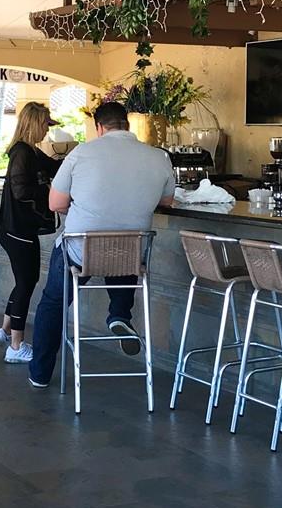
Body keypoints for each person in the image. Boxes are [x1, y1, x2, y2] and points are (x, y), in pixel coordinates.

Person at [26, 101, 175, 388]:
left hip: (81, 250)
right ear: (127, 125)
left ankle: (40, 373)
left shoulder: (81, 153)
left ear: (99, 127)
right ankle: (119, 315)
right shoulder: (158, 156)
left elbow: (55, 203)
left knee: (54, 302)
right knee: (121, 248)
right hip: (131, 252)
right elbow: (167, 201)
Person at [0, 102, 59, 363]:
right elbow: (21, 190)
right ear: (34, 124)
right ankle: (16, 346)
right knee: (26, 283)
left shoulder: (30, 151)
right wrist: (47, 192)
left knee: (24, 281)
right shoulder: (22, 152)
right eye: (45, 125)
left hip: (14, 229)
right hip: (18, 229)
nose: (47, 130)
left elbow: (55, 168)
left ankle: (4, 331)